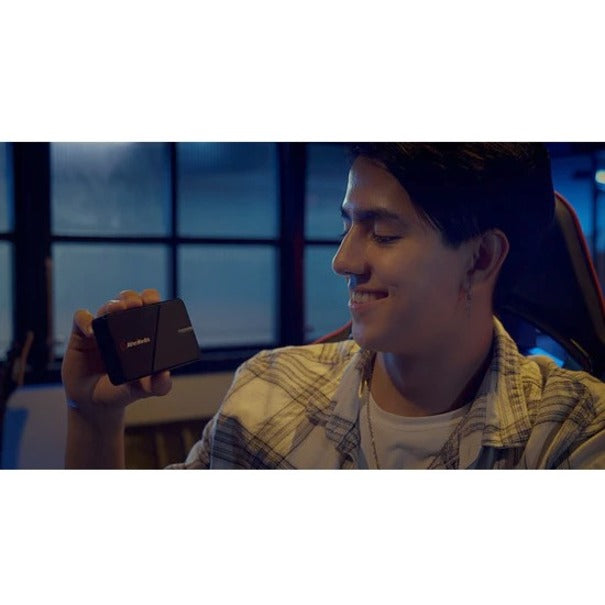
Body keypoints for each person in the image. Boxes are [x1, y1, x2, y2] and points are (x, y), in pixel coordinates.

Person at [62, 143, 605, 469]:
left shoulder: (571, 434)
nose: (343, 261)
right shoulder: (268, 396)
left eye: (384, 234)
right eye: (348, 226)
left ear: (481, 257)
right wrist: (93, 416)